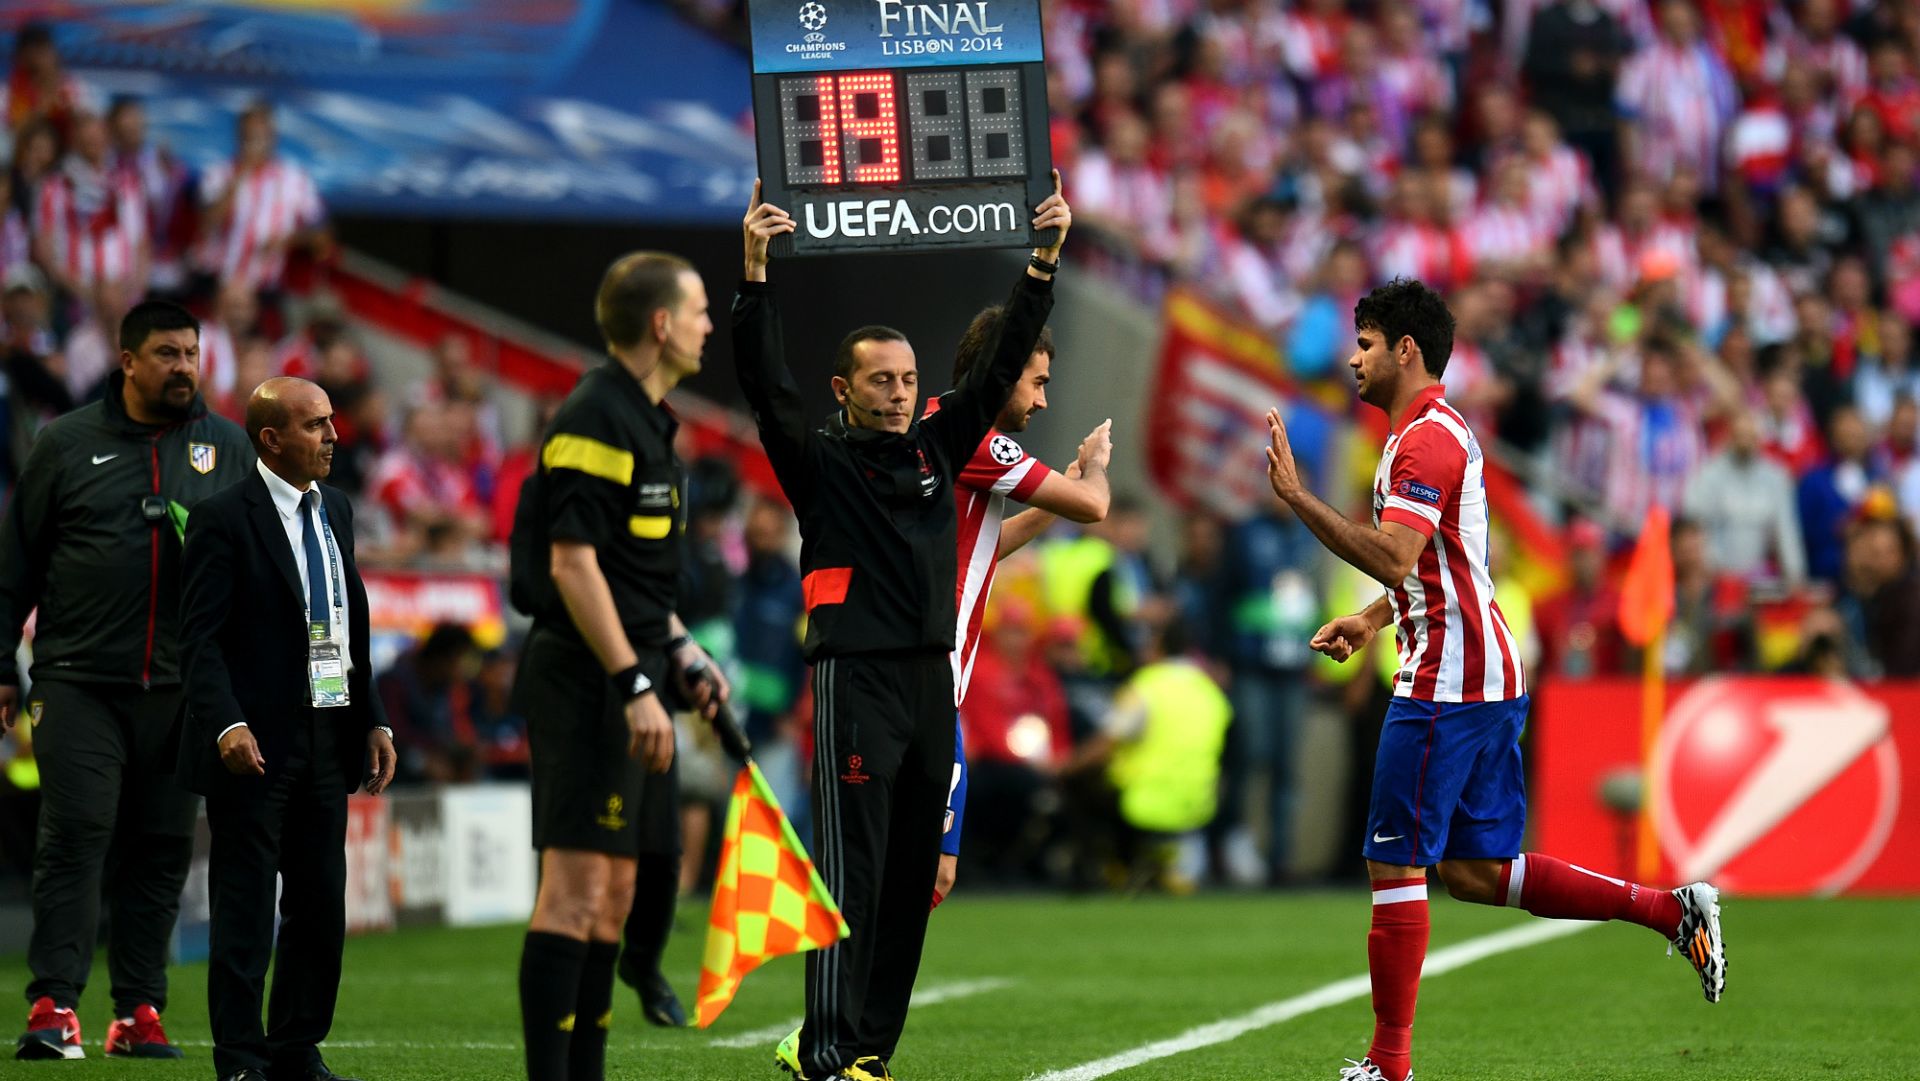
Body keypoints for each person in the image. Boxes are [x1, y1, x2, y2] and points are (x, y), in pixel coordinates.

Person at [1261, 279, 1725, 1081]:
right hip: (1479, 669)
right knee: (1476, 871)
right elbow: (1441, 564)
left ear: (1406, 349)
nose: (1352, 358)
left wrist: (1298, 497)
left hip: (1449, 676)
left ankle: (1388, 1066)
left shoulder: (1426, 441)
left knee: (1395, 864)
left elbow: (1400, 555)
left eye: (1365, 342)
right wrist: (1372, 621)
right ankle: (1669, 908)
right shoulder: (1427, 433)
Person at [737, 174, 1069, 1081]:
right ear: (843, 388)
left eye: (908, 380)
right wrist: (756, 276)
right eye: (880, 380)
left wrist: (1042, 262)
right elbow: (766, 388)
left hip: (929, 685)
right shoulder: (819, 463)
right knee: (853, 876)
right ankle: (825, 1049)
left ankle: (869, 1052)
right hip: (858, 682)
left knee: (914, 883)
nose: (896, 393)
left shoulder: (938, 447)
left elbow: (997, 367)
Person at [0, 300, 252, 1061]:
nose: (183, 366)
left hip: (182, 687)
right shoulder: (67, 444)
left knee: (162, 846)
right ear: (127, 360)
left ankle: (138, 1010)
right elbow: (16, 564)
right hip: (78, 679)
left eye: (191, 353)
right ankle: (54, 1004)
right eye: (168, 353)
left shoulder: (228, 448)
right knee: (77, 832)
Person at [505, 250, 727, 1081]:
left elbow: (630, 578)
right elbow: (572, 564)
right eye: (700, 309)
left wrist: (681, 646)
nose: (710, 324)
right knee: (574, 890)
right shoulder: (596, 415)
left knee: (618, 898)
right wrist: (636, 680)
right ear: (662, 324)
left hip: (631, 674)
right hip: (587, 681)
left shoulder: (649, 418)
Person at [176, 376, 395, 1081]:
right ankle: (241, 1059)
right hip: (256, 747)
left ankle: (296, 1046)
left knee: (320, 906)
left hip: (328, 736)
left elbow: (345, 620)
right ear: (271, 439)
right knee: (244, 910)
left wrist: (374, 717)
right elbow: (200, 640)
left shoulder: (337, 508)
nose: (334, 435)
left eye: (331, 422)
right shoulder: (222, 519)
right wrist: (227, 723)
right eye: (315, 424)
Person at [930, 302, 1114, 905]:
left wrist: (1051, 495)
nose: (1041, 402)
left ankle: (857, 997)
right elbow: (1094, 507)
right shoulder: (973, 438)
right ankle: (854, 999)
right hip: (929, 682)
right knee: (924, 871)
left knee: (913, 869)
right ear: (1001, 369)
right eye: (1037, 383)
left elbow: (983, 547)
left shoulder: (939, 428)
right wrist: (1094, 470)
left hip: (925, 680)